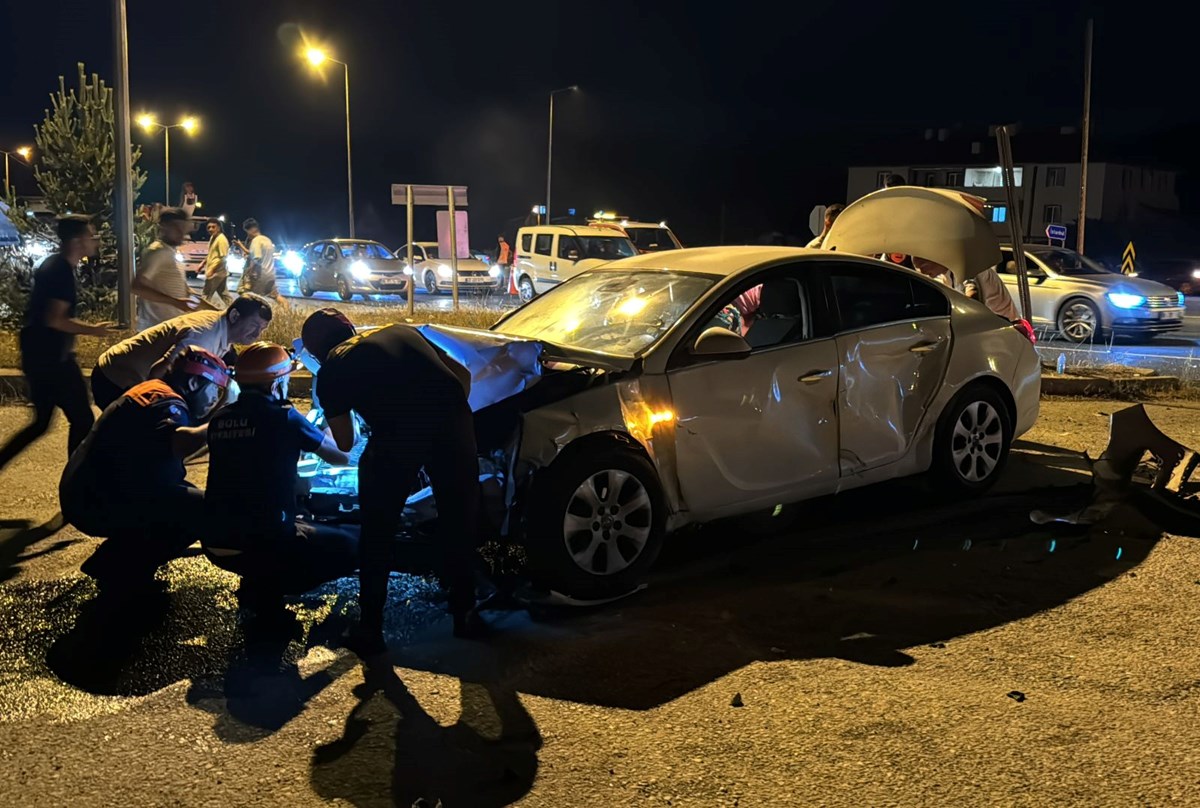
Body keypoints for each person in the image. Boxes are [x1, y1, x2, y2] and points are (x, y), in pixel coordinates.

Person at [301, 309, 486, 647]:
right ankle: (466, 613)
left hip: (397, 437)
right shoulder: (402, 329)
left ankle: (370, 628)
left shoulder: (332, 369)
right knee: (459, 518)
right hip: (454, 423)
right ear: (351, 327)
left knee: (378, 529)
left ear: (314, 352)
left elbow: (345, 443)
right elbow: (461, 375)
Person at [202, 342, 359, 615]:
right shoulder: (284, 416)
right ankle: (274, 586)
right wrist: (327, 428)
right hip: (267, 540)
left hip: (215, 538)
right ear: (276, 385)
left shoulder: (220, 419)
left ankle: (258, 581)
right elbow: (340, 456)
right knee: (353, 543)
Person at [60, 347, 229, 594]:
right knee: (201, 511)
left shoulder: (157, 390)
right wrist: (222, 422)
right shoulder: (165, 402)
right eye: (215, 390)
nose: (215, 399)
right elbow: (179, 442)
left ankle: (114, 558)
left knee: (184, 496)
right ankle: (121, 572)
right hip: (96, 501)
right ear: (194, 382)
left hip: (92, 490)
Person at [0, 216, 113, 473]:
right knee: (82, 420)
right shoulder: (60, 270)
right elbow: (55, 319)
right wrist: (93, 330)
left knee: (42, 422)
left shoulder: (55, 265)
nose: (95, 241)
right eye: (91, 235)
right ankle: (76, 483)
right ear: (77, 241)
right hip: (51, 360)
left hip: (42, 355)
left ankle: (76, 481)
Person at [91, 294, 272, 411]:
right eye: (254, 325)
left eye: (262, 329)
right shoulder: (203, 336)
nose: (257, 334)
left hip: (128, 374)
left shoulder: (222, 330)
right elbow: (159, 371)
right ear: (234, 316)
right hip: (114, 377)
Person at [134, 207, 199, 331]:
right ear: (163, 226)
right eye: (176, 227)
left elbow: (186, 291)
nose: (181, 232)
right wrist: (175, 302)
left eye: (184, 228)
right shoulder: (158, 252)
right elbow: (136, 287)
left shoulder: (171, 253)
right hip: (155, 330)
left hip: (171, 328)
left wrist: (218, 312)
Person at [237, 217, 288, 309]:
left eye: (247, 231)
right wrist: (241, 246)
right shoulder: (267, 240)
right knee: (276, 296)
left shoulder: (256, 241)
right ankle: (287, 311)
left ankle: (252, 316)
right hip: (270, 273)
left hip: (259, 275)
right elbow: (255, 254)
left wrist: (250, 272)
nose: (248, 235)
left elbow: (256, 259)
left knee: (246, 294)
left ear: (252, 229)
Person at [201, 218, 233, 307]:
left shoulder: (221, 239)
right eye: (209, 227)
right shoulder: (213, 238)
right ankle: (236, 310)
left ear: (218, 228)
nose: (210, 229)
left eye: (213, 227)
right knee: (224, 294)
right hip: (219, 272)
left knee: (206, 295)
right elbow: (211, 253)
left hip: (216, 272)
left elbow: (222, 257)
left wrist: (212, 270)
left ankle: (200, 314)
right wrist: (202, 263)